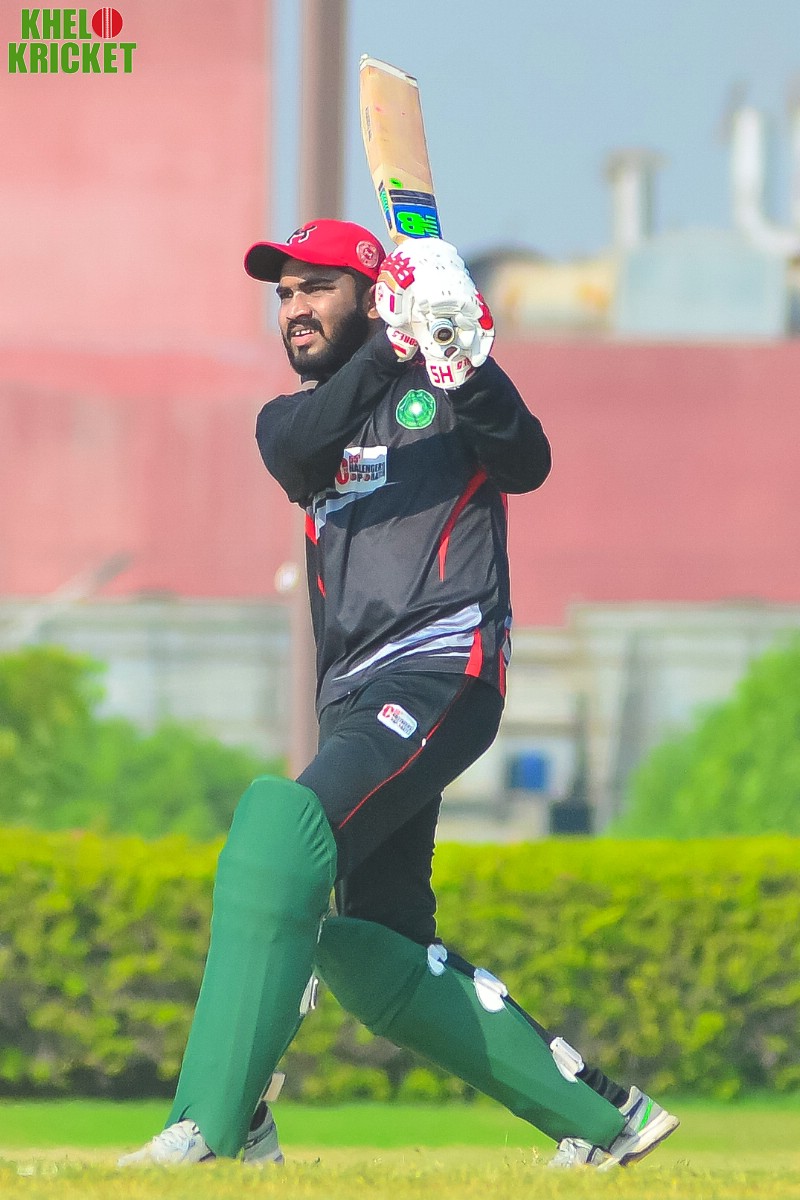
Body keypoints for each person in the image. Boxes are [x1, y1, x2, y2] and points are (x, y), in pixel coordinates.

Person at [119, 219, 678, 1170]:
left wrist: (458, 354)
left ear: (371, 295)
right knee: (376, 946)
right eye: (284, 294)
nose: (293, 309)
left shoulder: (448, 393)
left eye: (315, 289)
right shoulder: (294, 421)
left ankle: (218, 1125)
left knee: (277, 835)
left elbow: (527, 460)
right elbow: (298, 448)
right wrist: (392, 344)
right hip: (354, 697)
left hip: (441, 670)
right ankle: (607, 1122)